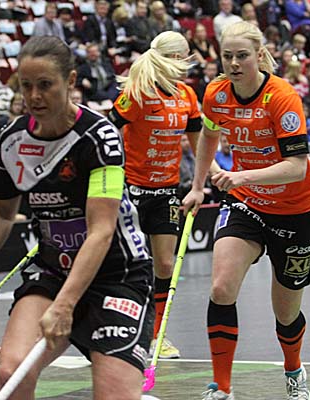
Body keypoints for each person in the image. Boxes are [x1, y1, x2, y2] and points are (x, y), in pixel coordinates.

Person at [0, 36, 154, 400]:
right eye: (26, 86)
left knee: (113, 394)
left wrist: (66, 305)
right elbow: (2, 211)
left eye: (45, 85)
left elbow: (101, 231)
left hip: (116, 275)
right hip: (53, 270)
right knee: (12, 371)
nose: (34, 96)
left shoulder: (100, 138)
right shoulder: (12, 141)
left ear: (70, 81)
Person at [181, 21, 310, 400]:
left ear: (259, 56)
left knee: (286, 315)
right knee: (221, 288)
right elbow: (209, 136)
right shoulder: (216, 94)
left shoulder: (282, 97)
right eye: (227, 56)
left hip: (294, 212)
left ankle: (293, 369)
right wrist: (198, 186)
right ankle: (221, 386)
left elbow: (297, 168)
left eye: (242, 55)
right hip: (246, 205)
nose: (233, 63)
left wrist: (241, 175)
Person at [108, 30, 205, 360]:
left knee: (164, 264)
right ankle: (124, 327)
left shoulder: (187, 95)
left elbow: (198, 143)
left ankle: (155, 334)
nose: (189, 62)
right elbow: (109, 128)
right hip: (132, 190)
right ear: (175, 58)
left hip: (166, 191)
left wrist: (214, 174)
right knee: (131, 265)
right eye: (185, 55)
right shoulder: (138, 93)